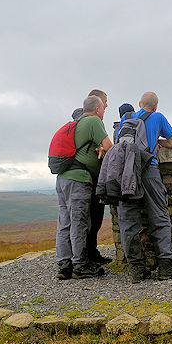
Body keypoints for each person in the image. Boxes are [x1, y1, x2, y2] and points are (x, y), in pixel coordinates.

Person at [115, 91, 172, 283]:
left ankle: (136, 270)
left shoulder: (125, 119)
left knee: (128, 223)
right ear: (155, 106)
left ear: (139, 104)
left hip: (126, 175)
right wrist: (158, 141)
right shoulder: (157, 117)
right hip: (149, 170)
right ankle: (165, 268)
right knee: (160, 217)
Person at [55, 95, 114, 280]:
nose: (104, 111)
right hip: (79, 180)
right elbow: (111, 149)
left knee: (65, 222)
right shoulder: (94, 121)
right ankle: (80, 265)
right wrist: (104, 150)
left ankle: (64, 265)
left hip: (63, 178)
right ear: (97, 109)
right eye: (103, 108)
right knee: (80, 222)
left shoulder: (76, 123)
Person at [70, 90, 111, 267]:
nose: (107, 106)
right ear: (98, 105)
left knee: (91, 217)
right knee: (90, 217)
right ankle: (85, 258)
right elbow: (109, 146)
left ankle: (88, 254)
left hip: (85, 176)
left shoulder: (82, 120)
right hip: (87, 177)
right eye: (105, 102)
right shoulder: (92, 120)